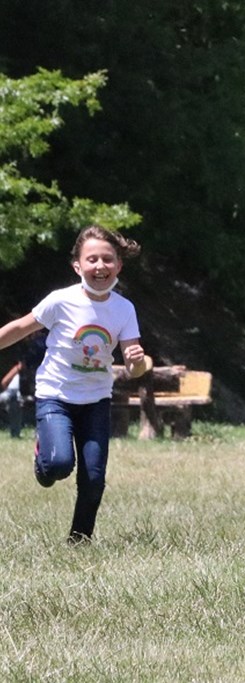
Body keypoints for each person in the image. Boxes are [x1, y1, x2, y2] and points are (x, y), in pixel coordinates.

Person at [0, 225, 147, 545]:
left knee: (93, 477)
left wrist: (136, 360)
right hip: (56, 395)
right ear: (77, 266)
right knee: (58, 464)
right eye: (91, 259)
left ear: (119, 265)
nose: (100, 266)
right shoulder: (60, 301)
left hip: (96, 399)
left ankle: (79, 541)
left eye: (107, 259)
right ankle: (44, 457)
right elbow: (21, 327)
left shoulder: (124, 309)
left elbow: (135, 369)